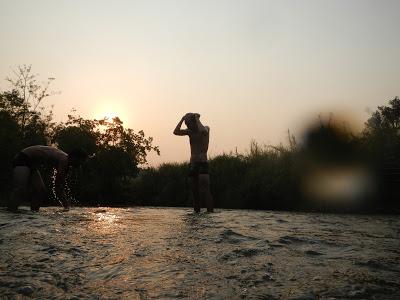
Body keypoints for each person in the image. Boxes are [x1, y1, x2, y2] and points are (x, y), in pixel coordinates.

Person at [8, 145, 87, 212]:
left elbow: (59, 187)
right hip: (23, 158)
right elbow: (58, 188)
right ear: (75, 158)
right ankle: (10, 215)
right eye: (81, 161)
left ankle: (33, 214)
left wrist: (66, 206)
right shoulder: (64, 161)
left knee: (40, 191)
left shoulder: (65, 160)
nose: (81, 164)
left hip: (32, 164)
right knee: (20, 189)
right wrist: (67, 208)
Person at [174, 113, 214, 212]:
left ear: (194, 121)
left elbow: (203, 131)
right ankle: (196, 215)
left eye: (188, 123)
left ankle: (210, 214)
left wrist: (197, 118)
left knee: (205, 191)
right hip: (193, 164)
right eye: (186, 124)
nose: (187, 126)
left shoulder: (206, 128)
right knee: (195, 193)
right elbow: (176, 132)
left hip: (202, 163)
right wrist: (182, 119)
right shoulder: (189, 132)